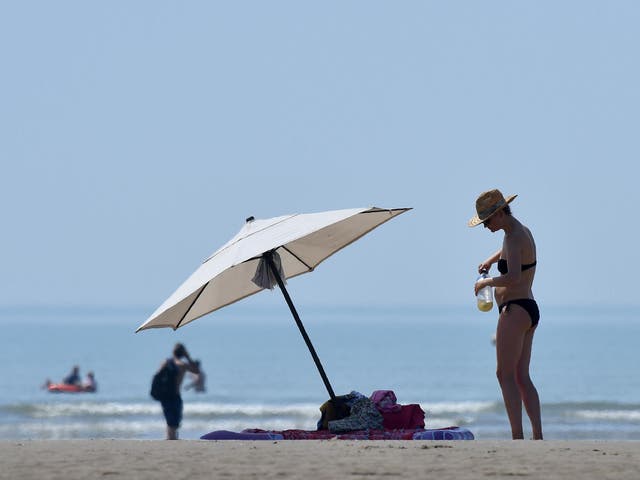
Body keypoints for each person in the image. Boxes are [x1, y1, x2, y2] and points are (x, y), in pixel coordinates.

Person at [469, 189, 543, 440]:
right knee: (522, 376)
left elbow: (513, 277)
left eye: (487, 221)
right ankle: (537, 436)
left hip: (515, 309)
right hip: (529, 309)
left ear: (500, 213)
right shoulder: (518, 231)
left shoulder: (513, 237)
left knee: (504, 374)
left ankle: (517, 436)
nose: (486, 227)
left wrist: (486, 283)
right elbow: (510, 254)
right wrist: (490, 260)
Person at [157, 343, 200, 440]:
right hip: (175, 396)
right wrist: (188, 357)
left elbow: (157, 377)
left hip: (164, 396)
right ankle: (171, 438)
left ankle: (170, 437)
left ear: (173, 352)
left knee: (170, 421)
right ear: (183, 353)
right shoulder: (182, 365)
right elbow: (196, 371)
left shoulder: (165, 362)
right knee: (175, 421)